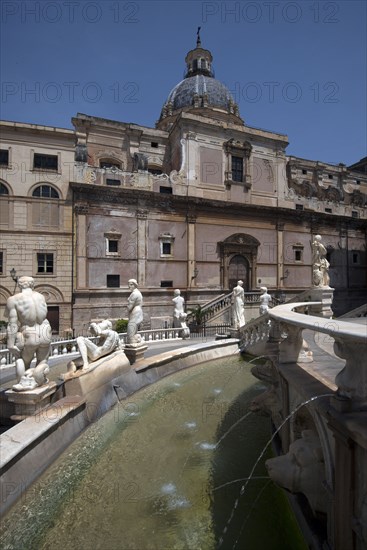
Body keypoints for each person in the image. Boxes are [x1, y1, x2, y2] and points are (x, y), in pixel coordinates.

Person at [5, 276, 52, 391]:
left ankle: (25, 382)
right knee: (43, 361)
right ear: (32, 284)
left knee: (23, 362)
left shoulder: (14, 299)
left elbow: (12, 323)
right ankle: (38, 378)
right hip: (46, 330)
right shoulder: (41, 297)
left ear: (19, 285)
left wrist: (10, 344)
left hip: (30, 332)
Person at [126, 279, 143, 344]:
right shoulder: (138, 292)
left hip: (135, 310)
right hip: (138, 310)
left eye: (131, 284)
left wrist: (128, 310)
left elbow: (130, 306)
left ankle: (132, 340)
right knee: (134, 326)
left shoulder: (135, 294)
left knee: (131, 325)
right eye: (129, 285)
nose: (129, 286)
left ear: (135, 285)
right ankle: (134, 338)